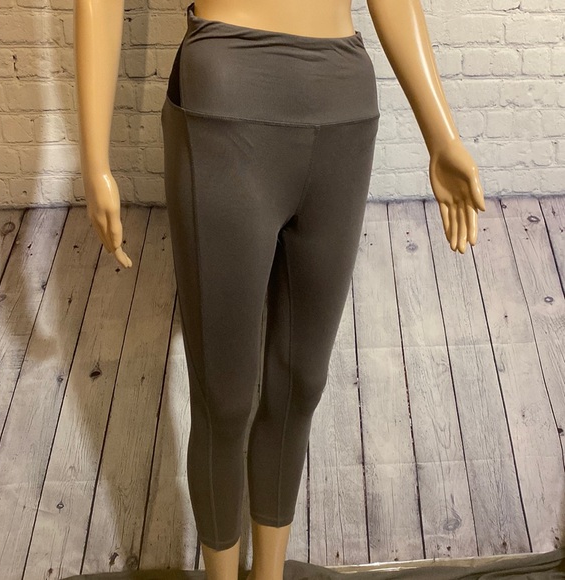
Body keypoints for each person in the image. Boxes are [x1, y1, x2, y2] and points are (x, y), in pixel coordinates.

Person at [74, 1, 486, 579]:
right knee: (224, 400)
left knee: (301, 384)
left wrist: (441, 134)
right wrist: (93, 160)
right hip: (224, 100)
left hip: (344, 107)